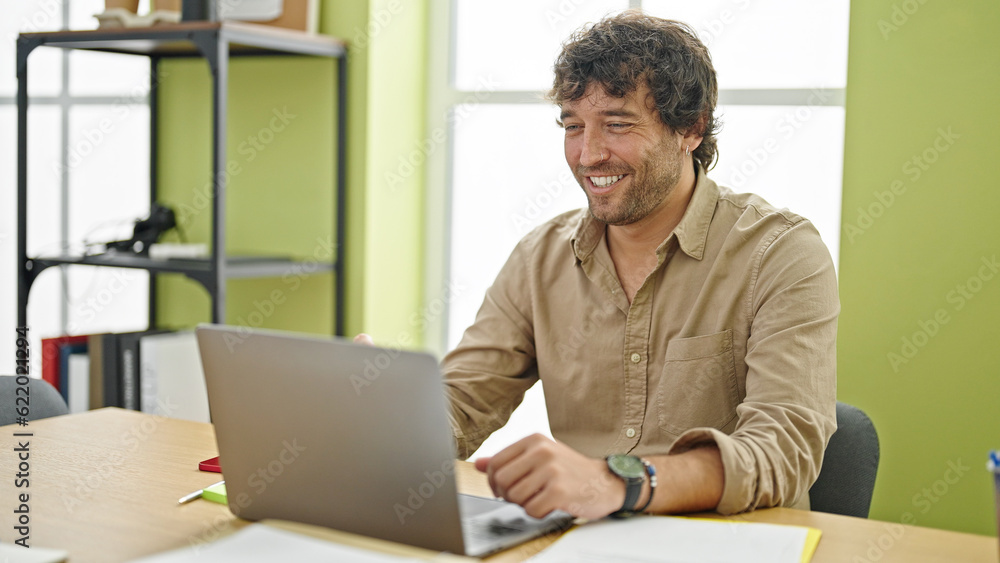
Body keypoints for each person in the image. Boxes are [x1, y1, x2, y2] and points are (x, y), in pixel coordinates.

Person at [363, 10, 838, 519]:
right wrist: (388, 413)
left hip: (733, 543)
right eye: (573, 126)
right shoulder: (538, 258)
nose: (588, 155)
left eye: (617, 124)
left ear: (691, 130)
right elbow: (463, 405)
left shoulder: (781, 254)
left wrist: (617, 482)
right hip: (581, 543)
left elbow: (785, 450)